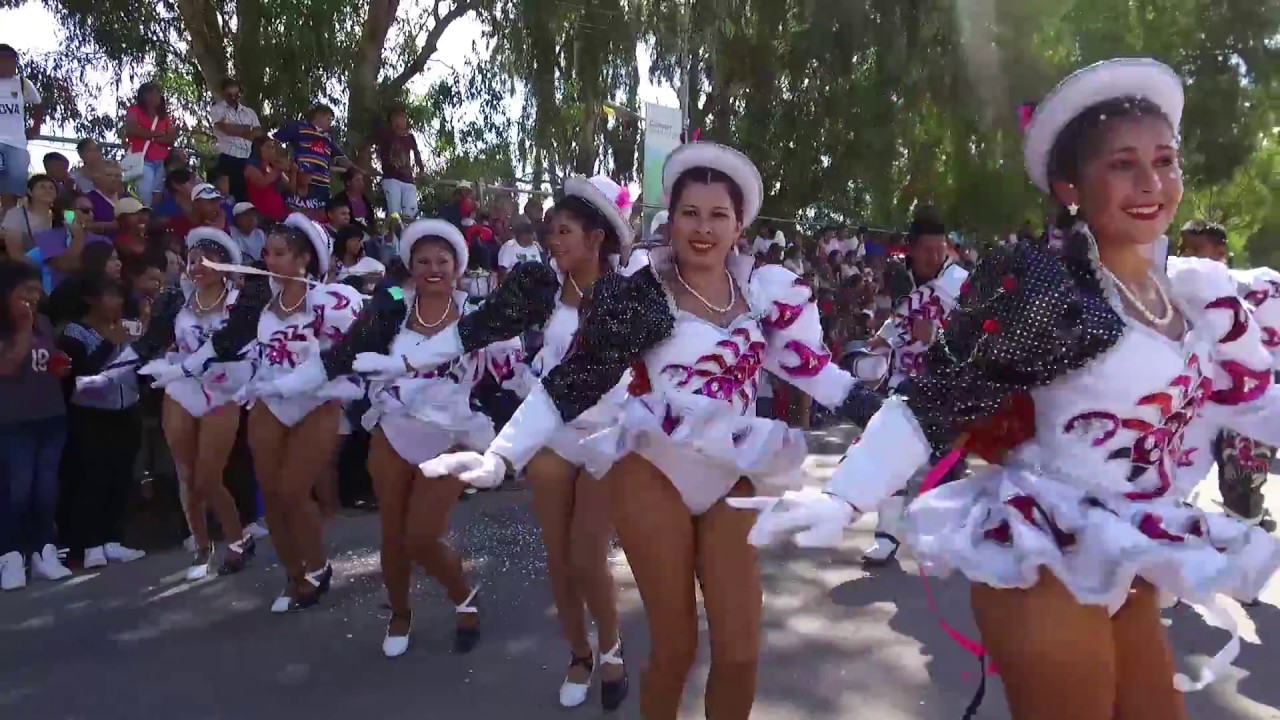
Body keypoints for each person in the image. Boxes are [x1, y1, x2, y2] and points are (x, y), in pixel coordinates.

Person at [737, 58, 1280, 720]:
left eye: (1165, 160)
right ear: (1070, 185)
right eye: (1122, 164)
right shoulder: (1050, 292)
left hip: (1134, 548)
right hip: (1042, 548)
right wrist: (843, 496)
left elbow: (1253, 402)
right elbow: (936, 399)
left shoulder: (1205, 294)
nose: (1151, 182)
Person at [421, 144, 882, 718]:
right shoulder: (649, 294)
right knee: (676, 648)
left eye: (719, 215)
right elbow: (575, 378)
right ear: (674, 218)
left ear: (740, 224)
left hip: (730, 475)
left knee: (740, 654)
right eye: (691, 212)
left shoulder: (763, 299)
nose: (704, 228)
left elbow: (820, 375)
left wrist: (888, 413)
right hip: (652, 471)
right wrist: (502, 454)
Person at [272, 219, 551, 658]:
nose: (433, 268)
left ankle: (463, 596)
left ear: (458, 266)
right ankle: (400, 613)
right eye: (423, 260)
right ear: (410, 265)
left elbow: (516, 377)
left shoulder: (479, 320)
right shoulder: (391, 313)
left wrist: (547, 411)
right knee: (392, 534)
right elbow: (342, 356)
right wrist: (287, 384)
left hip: (451, 437)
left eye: (442, 260)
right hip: (394, 430)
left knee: (422, 536)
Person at [176, 214, 362, 611]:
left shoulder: (328, 301)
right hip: (268, 400)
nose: (270, 260)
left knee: (294, 490)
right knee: (273, 496)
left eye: (280, 253)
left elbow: (349, 355)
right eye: (268, 253)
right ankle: (295, 575)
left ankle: (318, 566)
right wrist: (187, 367)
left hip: (316, 399)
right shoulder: (259, 299)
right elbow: (232, 340)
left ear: (304, 259)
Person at [117, 228, 260, 579]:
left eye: (206, 259)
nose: (197, 266)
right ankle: (200, 547)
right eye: (192, 259)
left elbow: (249, 348)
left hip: (222, 390)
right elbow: (155, 340)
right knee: (187, 473)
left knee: (209, 476)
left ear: (225, 264)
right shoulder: (175, 300)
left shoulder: (240, 303)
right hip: (181, 387)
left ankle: (238, 537)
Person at [1178, 220, 1279, 533]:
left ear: (1220, 253)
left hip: (1249, 399)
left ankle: (1247, 519)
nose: (1186, 256)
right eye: (1182, 248)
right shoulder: (1176, 286)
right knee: (1173, 480)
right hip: (1195, 402)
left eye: (1196, 249)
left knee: (1242, 489)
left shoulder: (1260, 284)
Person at [55, 273, 148, 569]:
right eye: (109, 295)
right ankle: (88, 544)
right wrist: (110, 343)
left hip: (126, 411)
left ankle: (113, 539)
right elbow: (81, 376)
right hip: (90, 416)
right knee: (90, 480)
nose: (116, 302)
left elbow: (140, 368)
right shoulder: (74, 332)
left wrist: (143, 342)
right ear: (90, 299)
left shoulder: (127, 328)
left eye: (119, 296)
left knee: (119, 478)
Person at [0, 258, 71, 590]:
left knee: (45, 490)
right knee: (17, 491)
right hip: (14, 422)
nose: (33, 297)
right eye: (24, 291)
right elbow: (7, 366)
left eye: (35, 290)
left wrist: (59, 366)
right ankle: (11, 556)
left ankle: (45, 552)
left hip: (50, 416)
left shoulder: (43, 321)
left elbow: (46, 361)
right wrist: (24, 329)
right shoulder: (12, 327)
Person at [274, 104, 356, 219]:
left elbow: (341, 158)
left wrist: (356, 169)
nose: (330, 123)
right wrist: (283, 160)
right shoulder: (299, 127)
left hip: (322, 185)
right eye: (328, 119)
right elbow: (275, 141)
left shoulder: (328, 138)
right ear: (318, 116)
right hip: (300, 181)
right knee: (294, 213)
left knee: (318, 219)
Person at [33, 192, 108, 291]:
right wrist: (78, 237)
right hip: (61, 297)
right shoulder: (48, 237)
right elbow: (66, 265)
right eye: (85, 210)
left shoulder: (102, 240)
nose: (91, 215)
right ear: (67, 213)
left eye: (92, 210)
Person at [0, 44, 43, 212]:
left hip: (17, 142)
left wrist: (36, 126)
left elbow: (38, 104)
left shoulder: (23, 83)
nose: (9, 65)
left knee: (16, 182)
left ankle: (9, 216)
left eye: (12, 61)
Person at [123, 82, 177, 205]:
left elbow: (170, 139)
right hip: (143, 158)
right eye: (151, 93)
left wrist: (145, 135)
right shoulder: (134, 110)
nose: (155, 96)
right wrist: (158, 135)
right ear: (143, 96)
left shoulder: (164, 116)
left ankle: (153, 219)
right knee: (144, 193)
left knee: (158, 193)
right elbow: (131, 129)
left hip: (161, 160)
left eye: (157, 93)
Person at [209, 78, 262, 202]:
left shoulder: (249, 112)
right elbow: (225, 129)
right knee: (231, 196)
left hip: (247, 157)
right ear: (223, 93)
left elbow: (258, 133)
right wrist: (248, 129)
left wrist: (235, 129)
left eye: (236, 95)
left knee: (247, 196)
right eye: (230, 95)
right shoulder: (217, 109)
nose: (233, 98)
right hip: (229, 157)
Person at [377, 106, 424, 220]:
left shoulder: (409, 136)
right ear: (393, 119)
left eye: (404, 117)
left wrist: (421, 169)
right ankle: (393, 236)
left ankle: (408, 236)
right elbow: (381, 153)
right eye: (400, 117)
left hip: (408, 178)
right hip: (392, 177)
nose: (403, 120)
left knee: (411, 212)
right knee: (394, 212)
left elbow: (416, 153)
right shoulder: (387, 135)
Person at [3, 174, 57, 259]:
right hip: (27, 268)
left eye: (51, 188)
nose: (48, 190)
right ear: (30, 192)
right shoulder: (16, 214)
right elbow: (15, 253)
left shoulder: (60, 217)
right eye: (42, 187)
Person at [244, 137, 292, 224]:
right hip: (263, 217)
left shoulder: (273, 168)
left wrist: (293, 171)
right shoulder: (251, 168)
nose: (272, 150)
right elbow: (262, 183)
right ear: (258, 149)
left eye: (273, 147)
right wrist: (279, 168)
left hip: (280, 215)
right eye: (268, 147)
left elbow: (290, 187)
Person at [496, 218, 543, 283]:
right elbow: (502, 271)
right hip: (515, 283)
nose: (531, 237)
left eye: (531, 234)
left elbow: (541, 267)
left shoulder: (535, 246)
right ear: (519, 235)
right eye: (527, 234)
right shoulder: (508, 247)